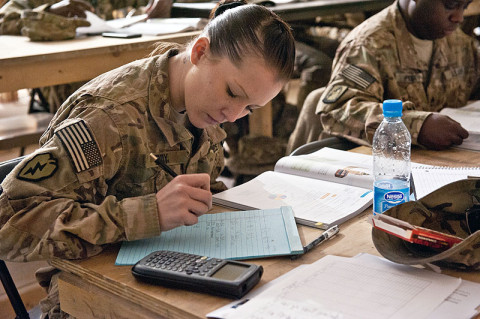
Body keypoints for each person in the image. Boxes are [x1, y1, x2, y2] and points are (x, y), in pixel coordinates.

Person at [0, 1, 295, 317]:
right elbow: (7, 222)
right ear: (199, 53)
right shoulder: (108, 119)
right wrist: (145, 214)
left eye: (250, 108)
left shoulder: (203, 107)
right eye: (233, 93)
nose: (234, 116)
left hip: (173, 270)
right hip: (89, 294)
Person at [287, 0, 480, 154]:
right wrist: (417, 126)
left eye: (465, 6)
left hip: (441, 160)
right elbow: (338, 109)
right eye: (450, 5)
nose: (459, 17)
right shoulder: (369, 45)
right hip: (374, 166)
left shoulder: (460, 45)